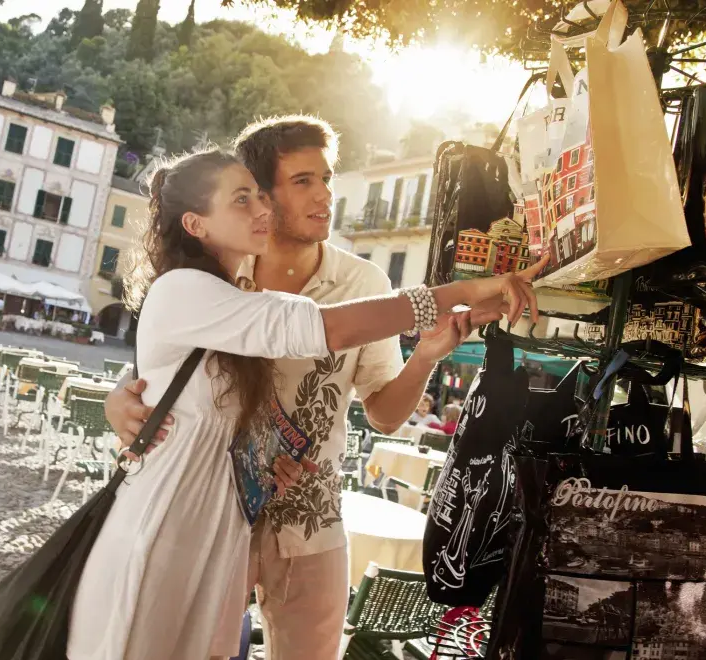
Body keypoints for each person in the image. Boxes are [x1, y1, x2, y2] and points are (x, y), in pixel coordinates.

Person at [67, 148, 544, 660]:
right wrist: (466, 288)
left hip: (224, 530)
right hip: (167, 530)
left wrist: (266, 461)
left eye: (326, 178)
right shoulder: (189, 289)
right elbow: (322, 328)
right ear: (195, 223)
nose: (261, 210)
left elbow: (200, 400)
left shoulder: (230, 293)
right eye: (244, 198)